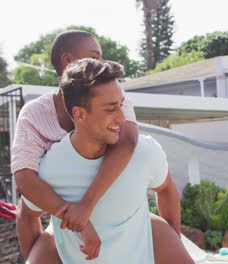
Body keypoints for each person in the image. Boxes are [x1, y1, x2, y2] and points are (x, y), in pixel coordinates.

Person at [12, 30, 191, 263]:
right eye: (96, 57)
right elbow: (25, 181)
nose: (119, 116)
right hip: (62, 218)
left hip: (121, 212)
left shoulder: (114, 99)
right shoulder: (37, 118)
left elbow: (127, 143)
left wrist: (86, 206)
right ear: (67, 61)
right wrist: (75, 220)